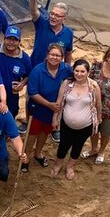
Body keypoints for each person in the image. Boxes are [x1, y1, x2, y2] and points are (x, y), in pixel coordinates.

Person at [50, 60, 101, 180]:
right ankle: (58, 164)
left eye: (82, 71)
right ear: (73, 71)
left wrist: (99, 119)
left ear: (88, 72)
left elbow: (98, 104)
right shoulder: (67, 83)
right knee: (63, 144)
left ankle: (70, 167)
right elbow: (59, 102)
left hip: (86, 125)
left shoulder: (93, 86)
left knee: (78, 146)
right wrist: (55, 119)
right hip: (66, 124)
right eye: (76, 71)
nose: (79, 74)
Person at [24, 43, 72, 172]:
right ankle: (26, 157)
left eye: (58, 55)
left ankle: (38, 153)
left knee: (45, 132)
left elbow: (77, 77)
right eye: (52, 54)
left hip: (54, 111)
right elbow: (33, 92)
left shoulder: (66, 69)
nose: (54, 57)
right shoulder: (37, 70)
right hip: (38, 109)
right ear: (47, 55)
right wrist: (49, 104)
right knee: (32, 134)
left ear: (62, 57)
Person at [0, 25, 32, 132]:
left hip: (11, 97)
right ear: (4, 39)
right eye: (9, 39)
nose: (11, 42)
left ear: (19, 42)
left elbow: (28, 75)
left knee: (7, 120)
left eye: (14, 40)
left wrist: (22, 84)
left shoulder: (24, 58)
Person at [28, 0, 74, 66]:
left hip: (55, 71)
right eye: (52, 13)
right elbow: (34, 11)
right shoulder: (42, 23)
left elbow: (68, 53)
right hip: (35, 67)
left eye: (57, 15)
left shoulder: (68, 33)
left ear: (64, 18)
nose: (53, 17)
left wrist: (67, 69)